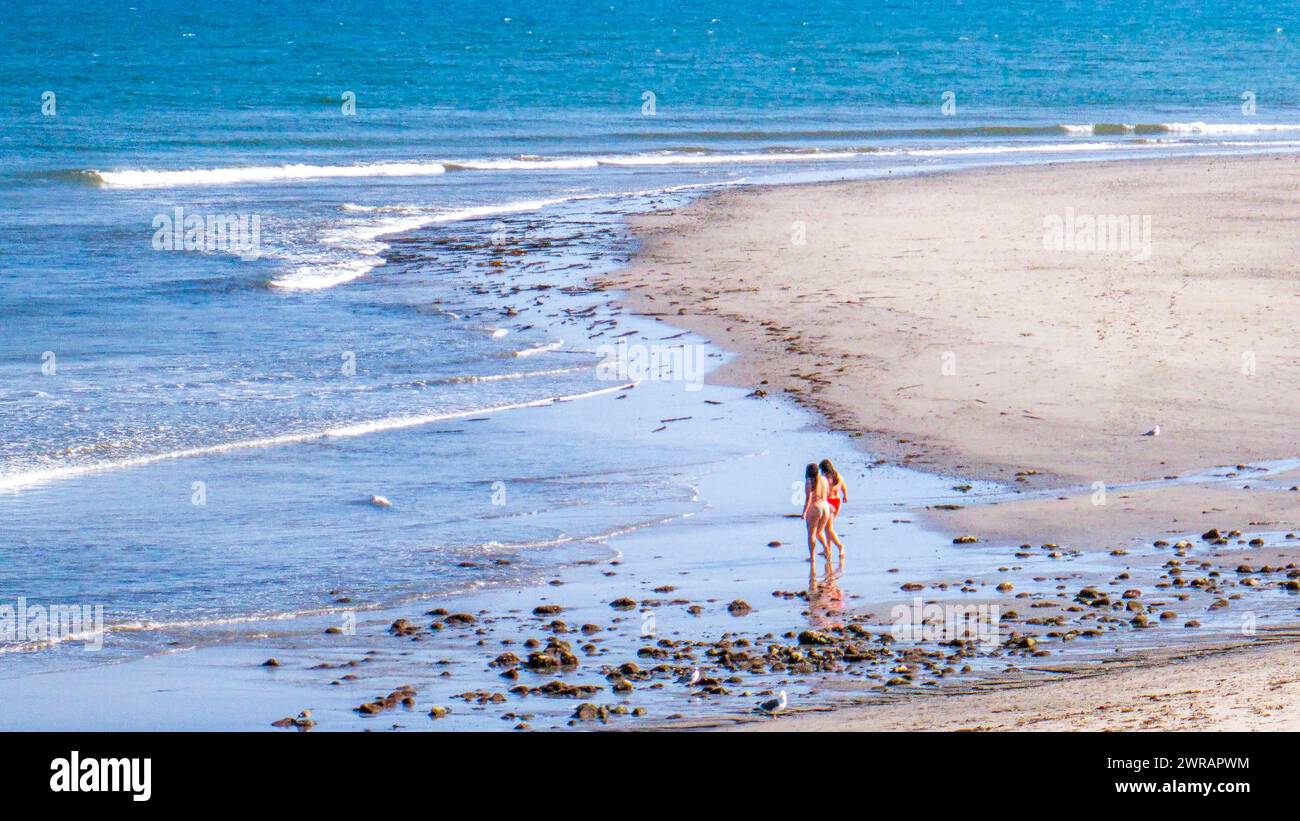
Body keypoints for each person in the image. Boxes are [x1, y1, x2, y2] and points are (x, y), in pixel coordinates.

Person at [801, 463, 832, 561]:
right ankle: (826, 548)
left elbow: (808, 498)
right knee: (819, 532)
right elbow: (828, 493)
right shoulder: (824, 479)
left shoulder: (809, 482)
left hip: (815, 507)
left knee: (811, 533)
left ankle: (812, 557)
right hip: (825, 507)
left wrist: (804, 512)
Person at [819, 459, 847, 558]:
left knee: (829, 529)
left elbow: (823, 492)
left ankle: (840, 546)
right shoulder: (838, 476)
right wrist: (845, 496)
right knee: (828, 528)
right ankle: (828, 549)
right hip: (837, 502)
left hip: (829, 503)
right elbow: (843, 488)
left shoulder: (825, 478)